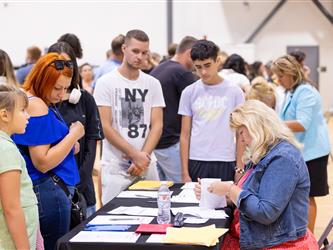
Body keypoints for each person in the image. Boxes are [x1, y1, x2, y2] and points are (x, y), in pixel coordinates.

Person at [195, 100, 318, 249]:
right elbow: (251, 196)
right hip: (257, 237)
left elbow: (265, 213)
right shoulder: (264, 153)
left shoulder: (283, 159)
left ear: (255, 127)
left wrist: (230, 189)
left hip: (276, 244)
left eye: (241, 132)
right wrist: (217, 194)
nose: (240, 140)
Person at [12, 53, 85, 250]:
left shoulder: (29, 98)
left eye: (66, 88)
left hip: (48, 189)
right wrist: (73, 135)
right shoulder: (37, 105)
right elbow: (42, 162)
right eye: (57, 88)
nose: (62, 95)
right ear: (43, 80)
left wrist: (66, 143)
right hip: (49, 191)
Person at [94, 29, 165, 204]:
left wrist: (143, 157)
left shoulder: (153, 83)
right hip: (115, 167)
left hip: (146, 164)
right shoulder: (106, 82)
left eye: (144, 52)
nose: (140, 56)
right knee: (114, 222)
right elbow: (105, 125)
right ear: (124, 48)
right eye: (135, 51)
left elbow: (157, 125)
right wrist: (134, 154)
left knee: (150, 218)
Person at [272, 55, 331, 233]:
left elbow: (302, 124)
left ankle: (310, 239)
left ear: (290, 73)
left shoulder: (305, 91)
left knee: (308, 196)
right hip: (302, 151)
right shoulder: (293, 91)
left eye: (280, 76)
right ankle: (301, 234)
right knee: (300, 196)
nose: (278, 80)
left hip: (313, 152)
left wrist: (272, 123)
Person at [48, 42, 104, 218]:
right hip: (51, 190)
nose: (63, 69)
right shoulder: (40, 104)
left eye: (68, 64)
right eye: (58, 64)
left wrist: (79, 180)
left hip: (82, 192)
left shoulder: (85, 99)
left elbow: (92, 143)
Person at [179, 40, 244, 183]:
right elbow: (185, 134)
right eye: (198, 67)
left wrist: (240, 168)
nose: (203, 71)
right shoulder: (189, 92)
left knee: (224, 204)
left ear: (218, 61)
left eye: (207, 65)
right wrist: (184, 172)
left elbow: (241, 134)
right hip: (196, 160)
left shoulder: (235, 92)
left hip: (226, 159)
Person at [150, 36, 197, 182]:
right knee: (182, 190)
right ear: (189, 53)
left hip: (156, 142)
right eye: (196, 57)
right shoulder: (181, 73)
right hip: (171, 142)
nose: (197, 63)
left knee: (165, 191)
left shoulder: (160, 68)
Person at [0, 85, 38, 250]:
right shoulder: (6, 149)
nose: (28, 116)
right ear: (4, 115)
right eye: (23, 110)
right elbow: (12, 208)